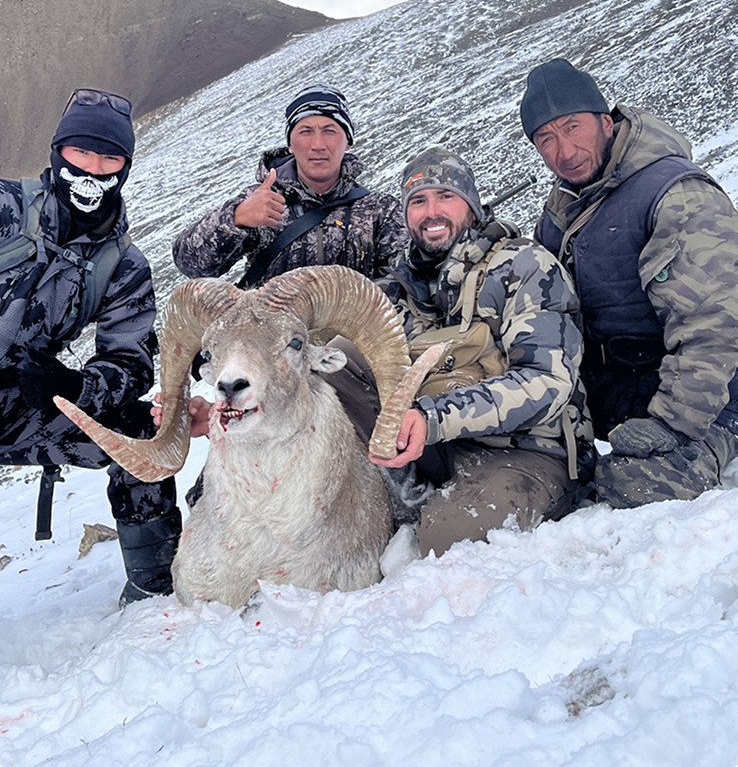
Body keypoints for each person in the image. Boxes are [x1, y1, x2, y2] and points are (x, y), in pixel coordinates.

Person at [332, 147, 594, 557]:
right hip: (438, 446)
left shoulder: (524, 267)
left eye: (445, 197)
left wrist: (435, 418)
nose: (431, 211)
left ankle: (441, 508)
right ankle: (404, 488)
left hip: (528, 451)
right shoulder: (399, 290)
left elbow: (546, 381)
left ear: (471, 207)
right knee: (338, 357)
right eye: (417, 201)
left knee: (444, 540)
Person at [520, 57, 738, 508]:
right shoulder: (562, 210)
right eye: (546, 138)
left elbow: (714, 324)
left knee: (635, 486)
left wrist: (671, 424)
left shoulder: (675, 193)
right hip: (622, 387)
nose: (564, 151)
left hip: (709, 398)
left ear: (605, 121)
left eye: (573, 127)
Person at [0, 88, 180, 606]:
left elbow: (130, 359)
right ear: (58, 152)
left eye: (109, 158)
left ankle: (154, 589)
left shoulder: (124, 265)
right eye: (81, 153)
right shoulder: (7, 207)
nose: (93, 170)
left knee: (141, 432)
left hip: (24, 405)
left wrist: (77, 386)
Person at [172, 83, 407, 286]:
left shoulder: (380, 211)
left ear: (348, 142)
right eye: (305, 131)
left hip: (353, 336)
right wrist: (235, 219)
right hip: (273, 336)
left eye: (329, 131)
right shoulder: (261, 201)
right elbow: (191, 266)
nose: (318, 144)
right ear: (291, 144)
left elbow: (407, 278)